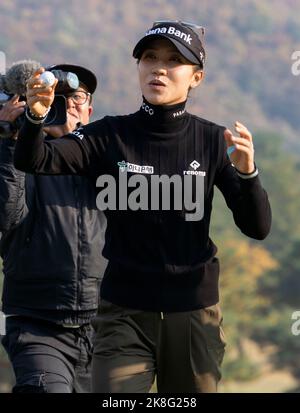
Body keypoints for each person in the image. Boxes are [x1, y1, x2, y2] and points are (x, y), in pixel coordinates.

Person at [14, 21, 271, 393]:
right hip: (123, 313)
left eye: (173, 60)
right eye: (150, 58)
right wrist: (36, 117)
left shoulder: (214, 140)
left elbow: (257, 227)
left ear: (196, 77)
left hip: (193, 313)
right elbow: (36, 160)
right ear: (138, 66)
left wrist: (248, 174)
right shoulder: (107, 135)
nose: (159, 68)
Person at [0, 64, 107, 393]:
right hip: (38, 324)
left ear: (89, 109)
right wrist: (9, 137)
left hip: (106, 326)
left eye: (76, 98)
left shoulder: (109, 160)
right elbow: (5, 216)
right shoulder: (18, 157)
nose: (68, 106)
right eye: (57, 99)